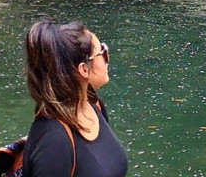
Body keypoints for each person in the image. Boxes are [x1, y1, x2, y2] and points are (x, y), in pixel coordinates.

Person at [22, 20, 128, 177]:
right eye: (102, 52)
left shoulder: (94, 106)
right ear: (84, 70)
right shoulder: (53, 141)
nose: (108, 58)